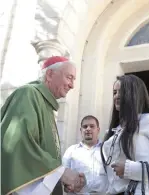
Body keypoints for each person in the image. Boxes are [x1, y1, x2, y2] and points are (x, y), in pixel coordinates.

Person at [1, 56, 86, 195]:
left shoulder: (46, 106)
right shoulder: (28, 94)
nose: (72, 85)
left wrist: (60, 180)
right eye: (69, 77)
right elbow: (17, 144)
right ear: (50, 74)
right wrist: (61, 172)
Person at [100, 74, 149, 195]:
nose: (116, 96)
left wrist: (130, 169)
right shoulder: (112, 133)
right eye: (114, 92)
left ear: (134, 94)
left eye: (121, 91)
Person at [63, 115, 108, 194]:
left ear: (98, 130)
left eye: (92, 126)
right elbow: (63, 175)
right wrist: (67, 186)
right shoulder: (71, 151)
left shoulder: (107, 150)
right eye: (85, 126)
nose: (88, 129)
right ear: (81, 130)